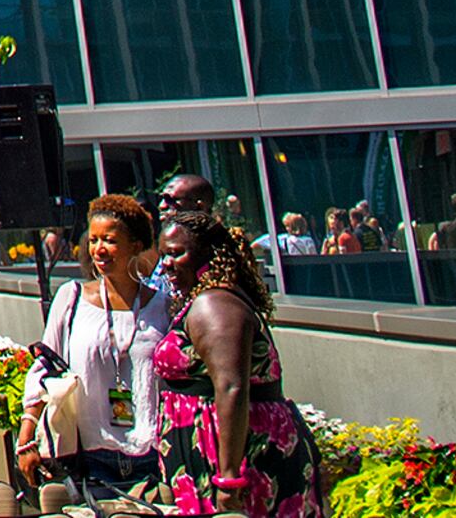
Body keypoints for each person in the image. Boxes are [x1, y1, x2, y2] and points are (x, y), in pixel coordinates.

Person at [152, 212, 318, 518]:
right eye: (163, 255)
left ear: (210, 255)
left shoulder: (214, 304)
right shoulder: (204, 298)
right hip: (212, 451)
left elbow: (231, 387)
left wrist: (229, 478)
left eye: (176, 253)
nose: (165, 264)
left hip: (238, 459)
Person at [28, 197, 166, 505]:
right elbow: (44, 369)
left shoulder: (163, 308)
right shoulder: (72, 298)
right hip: (90, 457)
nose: (98, 249)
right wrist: (27, 436)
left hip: (153, 458)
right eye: (93, 240)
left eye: (110, 240)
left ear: (137, 245)